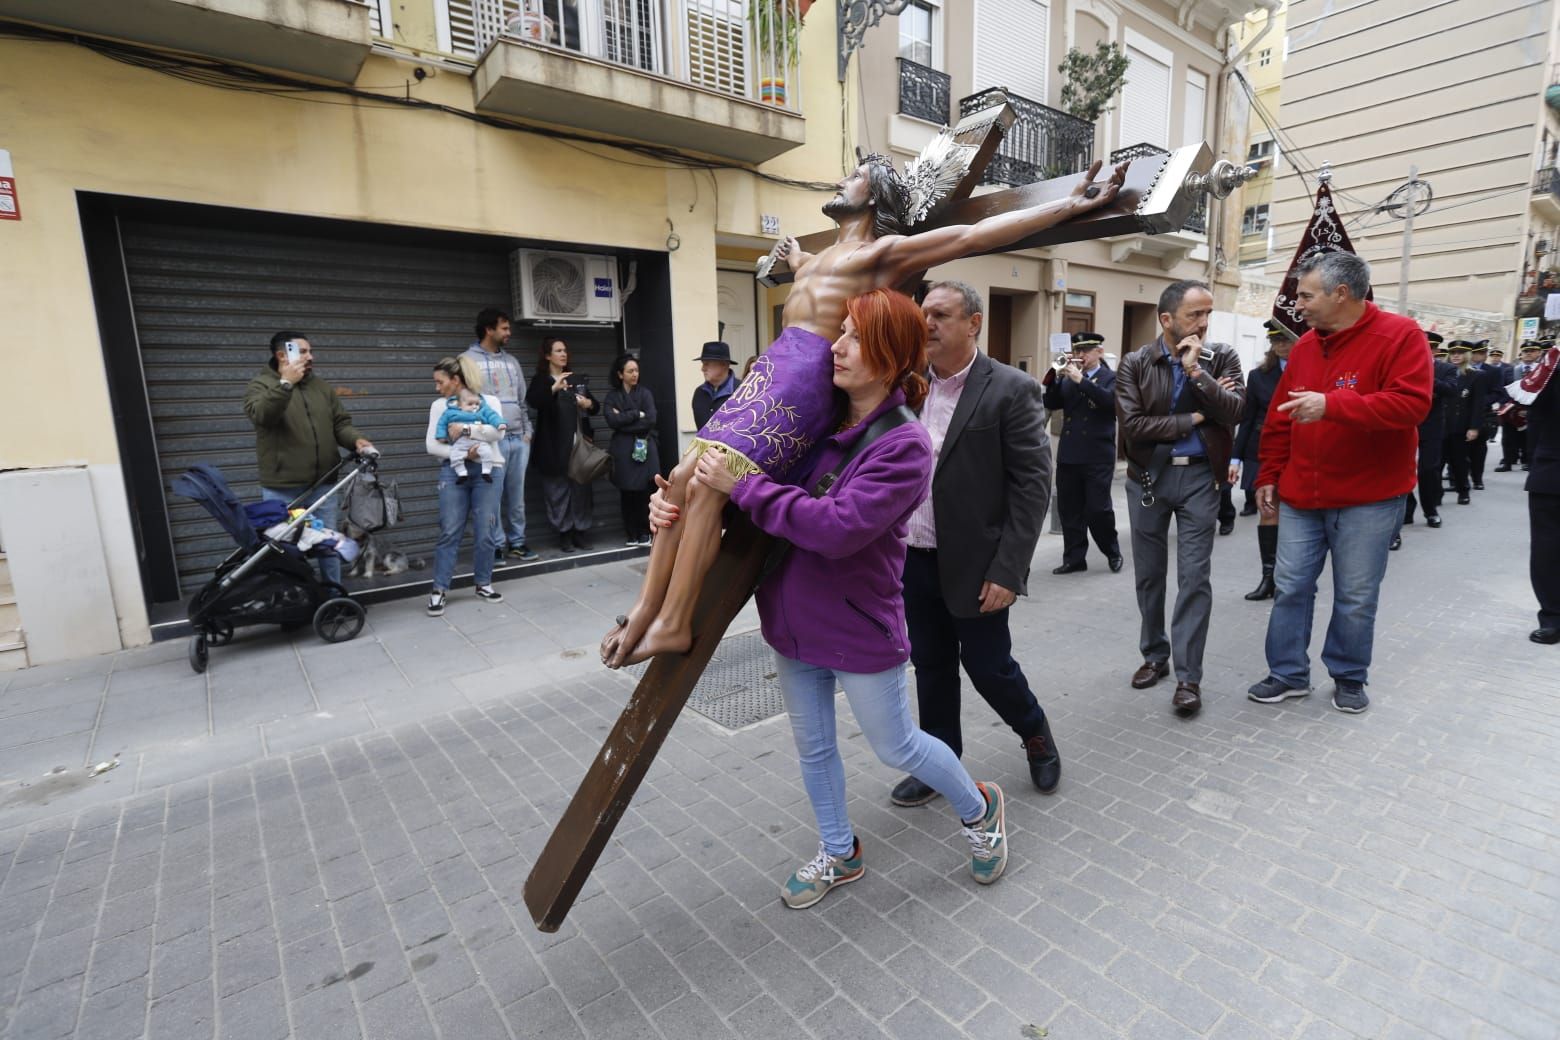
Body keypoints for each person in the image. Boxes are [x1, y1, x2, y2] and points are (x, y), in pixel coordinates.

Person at [599, 154, 1128, 667]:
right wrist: (789, 259)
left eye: (854, 177)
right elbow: (802, 269)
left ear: (872, 195)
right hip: (771, 368)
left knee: (711, 487)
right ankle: (646, 608)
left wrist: (1067, 206)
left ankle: (672, 621)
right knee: (680, 479)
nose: (842, 181)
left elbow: (972, 236)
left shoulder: (883, 253)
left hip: (802, 381)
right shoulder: (820, 257)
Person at [650, 289, 1010, 909]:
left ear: (893, 355)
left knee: (896, 745)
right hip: (790, 619)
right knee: (813, 746)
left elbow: (837, 528)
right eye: (839, 331)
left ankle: (980, 810)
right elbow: (731, 490)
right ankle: (839, 852)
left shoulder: (903, 446)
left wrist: (748, 486)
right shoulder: (814, 418)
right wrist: (672, 508)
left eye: (854, 337)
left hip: (857, 627)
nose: (836, 347)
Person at [888, 281, 1061, 810]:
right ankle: (943, 764)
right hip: (912, 561)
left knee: (989, 667)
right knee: (932, 667)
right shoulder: (908, 389)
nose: (929, 326)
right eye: (924, 317)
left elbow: (1033, 487)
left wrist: (1009, 571)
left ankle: (1034, 732)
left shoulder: (1010, 388)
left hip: (977, 565)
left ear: (974, 323)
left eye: (941, 315)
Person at [1246, 252, 1431, 714]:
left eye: (1306, 295)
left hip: (1368, 500)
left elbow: (1411, 406)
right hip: (1300, 497)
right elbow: (1278, 421)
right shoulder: (1306, 346)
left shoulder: (1400, 336)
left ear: (1341, 293)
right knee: (1290, 586)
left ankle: (1348, 675)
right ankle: (1287, 673)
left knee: (1355, 595)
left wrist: (1333, 406)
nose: (1299, 305)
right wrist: (1268, 473)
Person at [1115, 280, 1245, 716]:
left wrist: (1196, 373)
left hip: (1199, 482)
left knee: (1194, 578)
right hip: (1147, 479)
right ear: (1167, 319)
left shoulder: (1221, 357)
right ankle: (1154, 655)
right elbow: (1133, 425)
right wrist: (1192, 417)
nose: (1204, 324)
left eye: (1208, 314)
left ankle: (1189, 677)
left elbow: (1235, 410)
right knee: (1149, 575)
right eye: (1195, 315)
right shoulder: (1135, 362)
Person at [243, 331, 376, 588]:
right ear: (283, 355)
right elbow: (263, 416)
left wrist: (356, 440)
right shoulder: (259, 386)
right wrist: (285, 384)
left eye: (309, 351)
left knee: (329, 544)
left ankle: (334, 597)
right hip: (283, 487)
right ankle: (291, 604)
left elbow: (340, 424)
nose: (310, 357)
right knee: (283, 549)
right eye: (303, 352)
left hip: (324, 482)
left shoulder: (320, 387)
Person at [424, 355, 505, 615]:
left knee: (486, 529)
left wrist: (467, 431)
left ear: (455, 380)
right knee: (449, 530)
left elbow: (498, 433)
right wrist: (461, 454)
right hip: (453, 470)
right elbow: (432, 445)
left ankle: (483, 583)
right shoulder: (439, 406)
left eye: (440, 382)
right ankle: (439, 590)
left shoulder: (489, 401)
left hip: (488, 469)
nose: (437, 388)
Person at [1042, 330, 1122, 575]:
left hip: (1098, 455)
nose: (1080, 355)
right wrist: (1055, 375)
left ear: (1099, 352)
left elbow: (1110, 404)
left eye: (1085, 351)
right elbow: (1051, 402)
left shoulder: (1112, 378)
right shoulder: (1069, 378)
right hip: (1070, 453)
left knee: (1098, 509)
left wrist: (1081, 380)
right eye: (1077, 351)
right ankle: (1075, 558)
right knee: (1070, 509)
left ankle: (1112, 551)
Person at [463, 308, 540, 562]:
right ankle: (494, 545)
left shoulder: (512, 362)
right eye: (504, 328)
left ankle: (517, 542)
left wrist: (527, 432)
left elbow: (521, 400)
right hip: (490, 441)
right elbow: (464, 403)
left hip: (518, 439)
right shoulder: (467, 361)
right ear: (489, 330)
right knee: (491, 497)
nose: (509, 333)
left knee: (516, 498)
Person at [1232, 319, 1292, 599]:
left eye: (1285, 339)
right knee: (1268, 510)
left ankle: (1289, 577)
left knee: (1297, 516)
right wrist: (1235, 458)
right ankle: (1268, 577)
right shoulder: (1259, 375)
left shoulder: (1314, 369)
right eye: (1275, 340)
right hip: (1263, 449)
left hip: (1299, 451)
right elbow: (1247, 419)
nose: (1280, 345)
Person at [1507, 341, 1560, 643]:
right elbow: (1532, 413)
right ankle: (1553, 615)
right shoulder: (1552, 364)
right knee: (1548, 549)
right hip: (1553, 468)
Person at [527, 337, 600, 552]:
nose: (563, 354)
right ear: (548, 355)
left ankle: (580, 532)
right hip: (553, 447)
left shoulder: (574, 378)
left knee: (581, 492)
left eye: (565, 350)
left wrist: (588, 403)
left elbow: (594, 406)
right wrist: (554, 388)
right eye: (558, 351)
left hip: (579, 446)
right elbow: (534, 401)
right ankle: (564, 534)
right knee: (557, 492)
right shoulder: (542, 380)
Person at [1402, 330, 1459, 534]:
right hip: (1407, 424)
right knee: (1402, 469)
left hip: (1432, 425)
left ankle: (1430, 510)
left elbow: (1452, 390)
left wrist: (1427, 379)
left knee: (1428, 469)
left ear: (1436, 350)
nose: (1427, 351)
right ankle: (1407, 510)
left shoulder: (1447, 368)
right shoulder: (1405, 366)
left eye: (1431, 348)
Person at [603, 353, 660, 546]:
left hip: (643, 446)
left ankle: (645, 532)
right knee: (626, 492)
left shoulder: (645, 394)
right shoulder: (613, 396)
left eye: (636, 370)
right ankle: (631, 533)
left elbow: (650, 421)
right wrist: (636, 414)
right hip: (623, 450)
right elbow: (611, 421)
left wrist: (624, 420)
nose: (635, 374)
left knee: (644, 491)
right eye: (630, 371)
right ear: (620, 374)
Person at [1442, 341, 1485, 506]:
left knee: (1459, 461)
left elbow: (1478, 404)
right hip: (1441, 424)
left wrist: (1474, 427)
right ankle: (1434, 494)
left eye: (1460, 352)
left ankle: (1463, 490)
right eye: (1453, 352)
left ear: (1467, 355)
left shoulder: (1476, 375)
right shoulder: (1443, 371)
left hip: (1461, 425)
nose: (1456, 355)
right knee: (1435, 463)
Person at [437, 387, 507, 483]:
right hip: (461, 441)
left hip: (479, 440)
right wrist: (441, 436)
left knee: (487, 452)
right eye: (470, 404)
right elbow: (442, 423)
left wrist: (500, 423)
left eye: (477, 404)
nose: (474, 406)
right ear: (459, 405)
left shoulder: (482, 411)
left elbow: (492, 416)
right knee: (455, 454)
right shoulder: (451, 412)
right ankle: (462, 473)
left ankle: (486, 472)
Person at [1496, 341, 1541, 472]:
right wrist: (1505, 406)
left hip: (1533, 409)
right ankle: (1507, 462)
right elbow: (1502, 389)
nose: (1528, 353)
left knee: (1530, 437)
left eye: (1532, 351)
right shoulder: (1510, 370)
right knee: (1508, 437)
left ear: (1539, 353)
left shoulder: (1542, 372)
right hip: (1512, 410)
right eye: (1526, 351)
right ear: (1521, 353)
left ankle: (1529, 462)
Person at [1467, 342, 1503, 489]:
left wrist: (1481, 402)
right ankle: (1456, 479)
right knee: (1457, 448)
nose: (1483, 355)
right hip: (1461, 414)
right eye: (1479, 353)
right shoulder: (1460, 369)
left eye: (1484, 353)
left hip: (1482, 413)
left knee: (1478, 449)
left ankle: (1477, 479)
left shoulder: (1493, 371)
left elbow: (1497, 392)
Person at [690, 342, 737, 428]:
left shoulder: (743, 391)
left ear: (724, 364)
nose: (702, 369)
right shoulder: (699, 393)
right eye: (703, 364)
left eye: (707, 364)